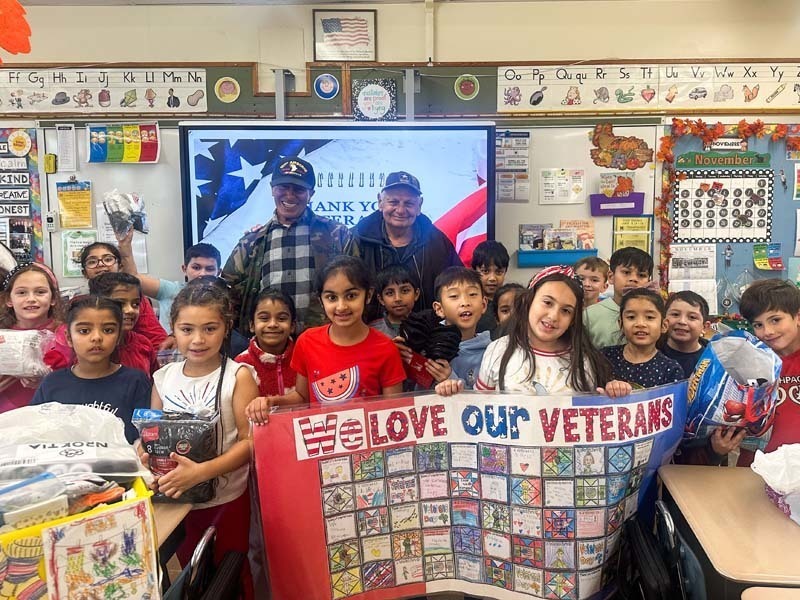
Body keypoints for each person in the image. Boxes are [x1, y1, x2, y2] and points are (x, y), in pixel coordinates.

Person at [147, 282, 259, 598]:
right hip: (178, 500)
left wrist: (201, 472)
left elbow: (250, 443)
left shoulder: (239, 376)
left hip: (227, 499)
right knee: (193, 576)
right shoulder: (164, 377)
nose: (198, 339)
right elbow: (153, 433)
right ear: (173, 329)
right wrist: (145, 452)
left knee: (232, 573)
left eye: (210, 328)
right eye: (187, 329)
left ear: (226, 328)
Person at [246, 256, 405, 422]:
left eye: (351, 296)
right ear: (320, 300)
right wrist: (271, 401)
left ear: (369, 295)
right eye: (331, 297)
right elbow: (302, 397)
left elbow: (393, 414)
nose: (341, 306)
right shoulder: (307, 341)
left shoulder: (386, 348)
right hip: (321, 443)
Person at [436, 266, 630, 398]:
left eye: (566, 311)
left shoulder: (584, 360)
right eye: (547, 302)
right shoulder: (497, 350)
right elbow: (479, 408)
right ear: (529, 302)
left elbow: (593, 417)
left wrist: (614, 393)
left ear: (573, 320)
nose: (553, 316)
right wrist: (453, 393)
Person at [222, 156, 350, 335]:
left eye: (298, 189)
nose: (289, 195)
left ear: (311, 194)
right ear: (273, 190)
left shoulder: (338, 235)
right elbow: (225, 297)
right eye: (283, 187)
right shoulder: (250, 243)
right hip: (269, 347)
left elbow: (357, 289)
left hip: (324, 344)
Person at [31, 295, 150, 444]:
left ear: (118, 336)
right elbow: (35, 433)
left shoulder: (135, 382)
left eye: (108, 330)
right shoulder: (52, 383)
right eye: (84, 331)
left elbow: (145, 436)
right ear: (68, 337)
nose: (96, 337)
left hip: (120, 465)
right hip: (63, 465)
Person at [345, 170, 463, 321]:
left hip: (427, 335)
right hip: (370, 334)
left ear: (419, 206)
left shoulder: (437, 241)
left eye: (409, 203)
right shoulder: (357, 238)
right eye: (393, 202)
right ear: (380, 202)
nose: (400, 210)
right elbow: (345, 290)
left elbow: (456, 285)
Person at [0, 263, 72, 412]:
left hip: (54, 412)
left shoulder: (68, 334)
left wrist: (47, 380)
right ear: (8, 300)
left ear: (53, 298)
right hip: (7, 416)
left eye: (40, 292)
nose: (31, 299)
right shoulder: (3, 336)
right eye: (22, 293)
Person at [739, 279, 800, 455]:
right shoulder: (749, 363)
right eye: (758, 325)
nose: (767, 331)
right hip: (757, 468)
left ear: (797, 317)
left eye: (775, 320)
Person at [117, 229, 221, 331]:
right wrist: (124, 245)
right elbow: (133, 278)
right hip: (170, 347)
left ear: (219, 272)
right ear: (184, 269)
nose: (202, 274)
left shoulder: (224, 298)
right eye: (196, 268)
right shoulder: (171, 290)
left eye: (209, 269)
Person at [79, 242, 168, 350]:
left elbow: (158, 340)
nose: (101, 264)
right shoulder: (79, 305)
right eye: (92, 262)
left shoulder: (137, 300)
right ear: (85, 273)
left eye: (108, 259)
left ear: (120, 267)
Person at [602, 288, 685, 388]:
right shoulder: (604, 358)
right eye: (631, 317)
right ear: (621, 324)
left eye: (649, 317)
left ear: (664, 325)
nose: (640, 324)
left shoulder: (670, 369)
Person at [88, 272, 158, 377]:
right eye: (120, 303)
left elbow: (155, 383)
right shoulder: (92, 347)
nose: (130, 310)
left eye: (135, 304)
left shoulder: (144, 345)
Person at [432, 266, 491, 390]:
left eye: (472, 294)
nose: (465, 302)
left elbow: (486, 402)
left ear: (484, 304)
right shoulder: (428, 347)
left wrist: (449, 377)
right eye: (454, 296)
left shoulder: (492, 353)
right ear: (439, 309)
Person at [585, 247, 653, 349]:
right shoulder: (590, 315)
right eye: (626, 272)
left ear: (648, 281)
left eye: (641, 275)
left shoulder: (654, 315)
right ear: (611, 277)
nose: (633, 279)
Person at [235, 288, 297, 398]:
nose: (272, 324)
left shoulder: (303, 358)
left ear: (292, 326)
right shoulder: (241, 365)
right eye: (264, 318)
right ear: (252, 325)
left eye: (282, 318)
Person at [662, 291, 711, 378]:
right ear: (664, 321)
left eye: (692, 317)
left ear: (704, 327)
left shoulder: (712, 359)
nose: (682, 321)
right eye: (675, 314)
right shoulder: (650, 352)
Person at [370, 264, 420, 338]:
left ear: (416, 294)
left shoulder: (426, 327)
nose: (398, 298)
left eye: (405, 291)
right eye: (390, 293)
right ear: (381, 299)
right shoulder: (372, 331)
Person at [472, 240, 509, 334]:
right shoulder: (470, 305)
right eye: (485, 271)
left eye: (499, 272)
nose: (492, 278)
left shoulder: (510, 303)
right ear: (474, 270)